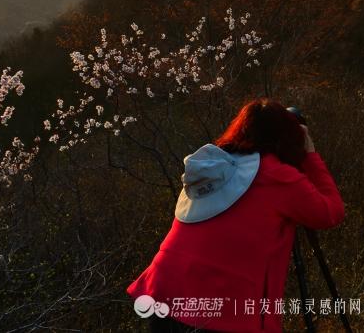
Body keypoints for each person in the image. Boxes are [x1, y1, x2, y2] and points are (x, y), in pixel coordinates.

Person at [126, 98, 345, 332]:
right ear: (287, 136)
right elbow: (331, 212)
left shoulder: (215, 165)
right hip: (222, 308)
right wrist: (309, 154)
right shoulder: (277, 176)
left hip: (165, 290)